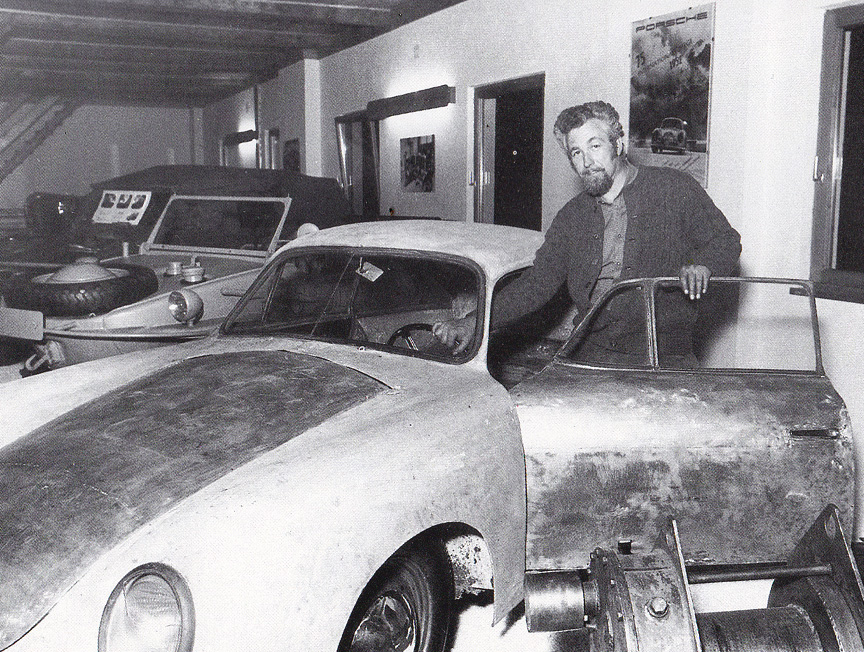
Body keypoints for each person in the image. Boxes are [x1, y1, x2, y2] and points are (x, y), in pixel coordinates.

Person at [433, 100, 741, 361]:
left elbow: (726, 240)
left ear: (618, 145)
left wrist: (705, 265)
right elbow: (536, 284)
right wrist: (476, 321)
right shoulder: (571, 216)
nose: (587, 162)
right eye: (576, 152)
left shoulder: (674, 188)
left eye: (595, 146)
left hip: (662, 358)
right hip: (589, 355)